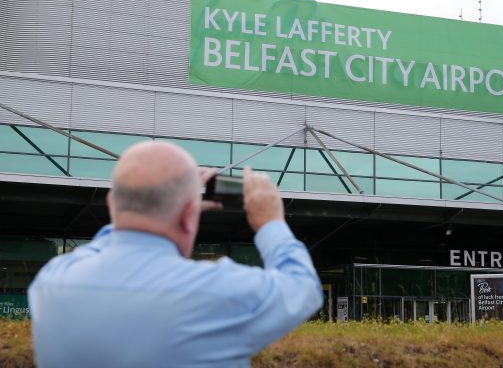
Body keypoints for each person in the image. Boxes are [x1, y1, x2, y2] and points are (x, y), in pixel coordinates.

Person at [28, 141, 323, 368]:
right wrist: (271, 222)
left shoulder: (52, 282)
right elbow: (303, 287)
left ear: (111, 203)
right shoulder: (217, 292)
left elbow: (108, 239)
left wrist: (178, 207)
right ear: (187, 215)